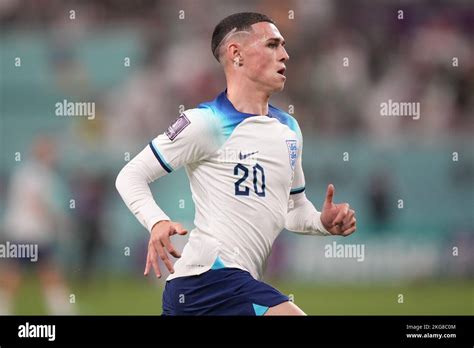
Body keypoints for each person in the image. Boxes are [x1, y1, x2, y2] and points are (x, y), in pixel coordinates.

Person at [116, 12, 357, 316]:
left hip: (225, 287)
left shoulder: (289, 130)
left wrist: (322, 222)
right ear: (236, 55)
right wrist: (157, 221)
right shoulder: (204, 122)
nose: (285, 53)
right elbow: (131, 175)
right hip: (208, 280)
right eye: (272, 44)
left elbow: (293, 209)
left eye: (282, 45)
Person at [0, 136, 75, 315]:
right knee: (17, 272)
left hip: (25, 230)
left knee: (44, 270)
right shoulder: (36, 174)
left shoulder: (28, 172)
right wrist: (59, 222)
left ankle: (62, 309)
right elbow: (37, 203)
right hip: (29, 232)